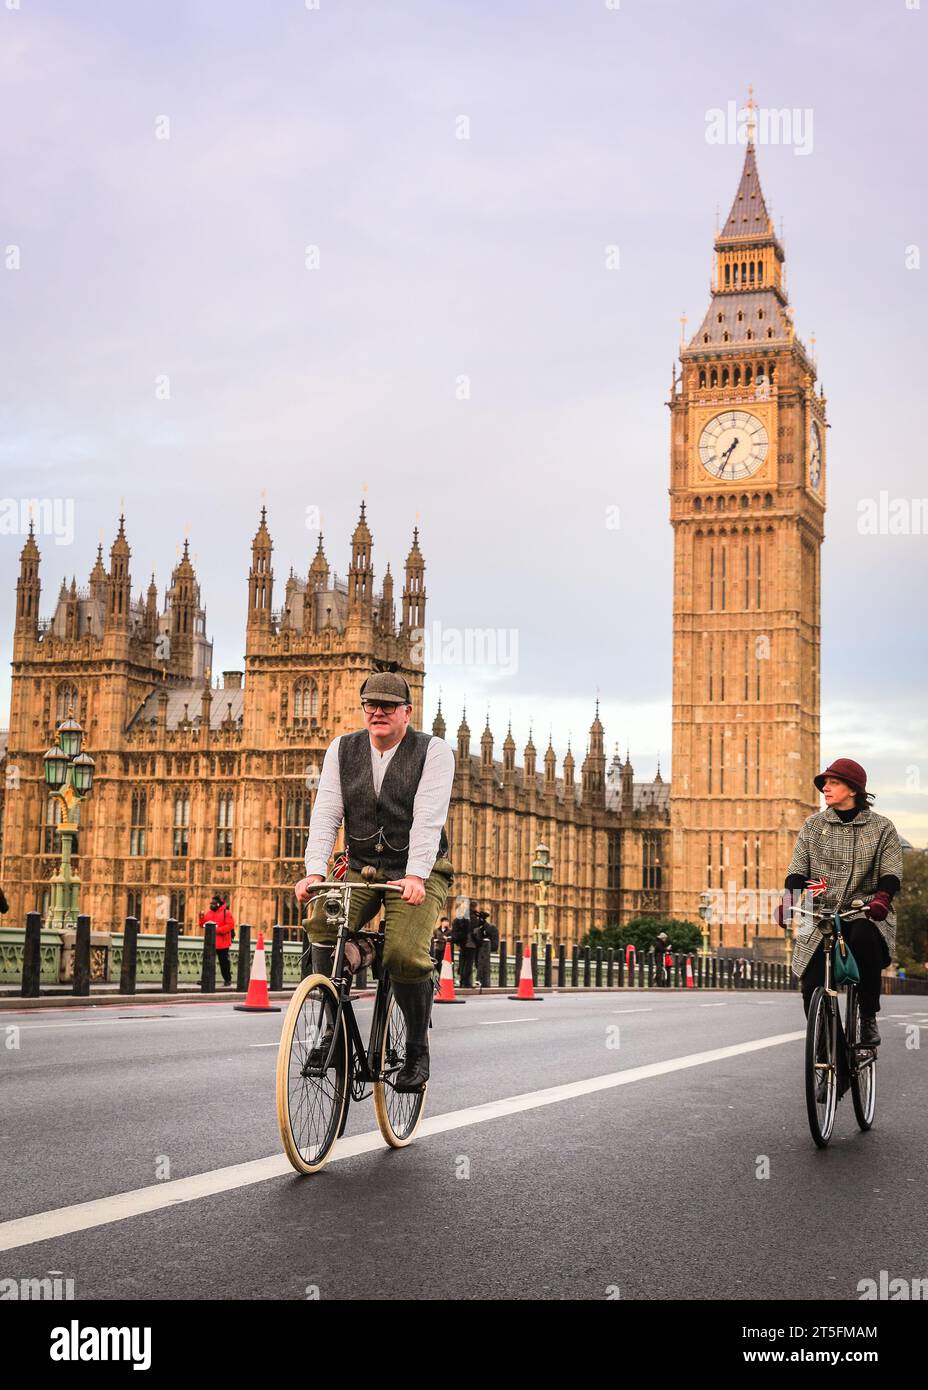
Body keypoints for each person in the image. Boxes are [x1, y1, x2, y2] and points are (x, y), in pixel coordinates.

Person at [294, 671, 455, 1091]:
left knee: (403, 953)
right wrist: (314, 872)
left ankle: (418, 1048)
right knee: (321, 928)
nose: (378, 712)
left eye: (387, 705)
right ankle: (334, 1029)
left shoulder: (433, 752)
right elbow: (327, 813)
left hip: (417, 870)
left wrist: (417, 875)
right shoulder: (342, 749)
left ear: (407, 711)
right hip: (362, 864)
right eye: (371, 704)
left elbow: (427, 820)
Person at [781, 758, 903, 1048]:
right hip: (821, 913)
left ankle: (868, 1015)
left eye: (833, 782)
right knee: (811, 987)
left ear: (853, 789)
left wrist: (882, 899)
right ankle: (828, 1052)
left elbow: (891, 872)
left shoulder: (881, 828)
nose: (825, 787)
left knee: (862, 936)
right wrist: (788, 900)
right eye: (825, 782)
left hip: (865, 911)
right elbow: (797, 871)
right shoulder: (813, 826)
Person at [199, 893, 235, 986]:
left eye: (214, 904)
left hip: (223, 943)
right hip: (211, 942)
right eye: (211, 904)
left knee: (224, 962)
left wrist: (217, 930)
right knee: (208, 962)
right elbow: (202, 925)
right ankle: (205, 979)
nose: (212, 906)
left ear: (218, 904)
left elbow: (230, 926)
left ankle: (227, 979)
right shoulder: (209, 913)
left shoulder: (226, 913)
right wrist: (201, 917)